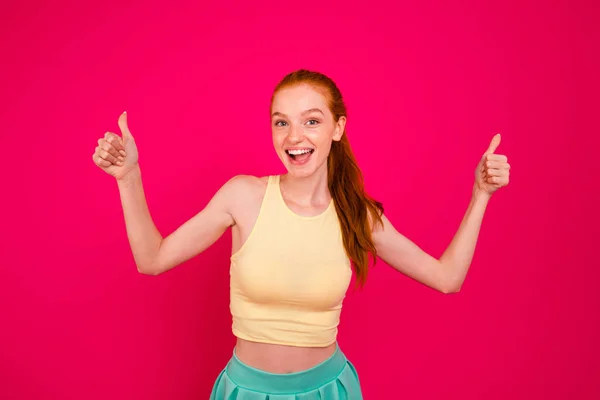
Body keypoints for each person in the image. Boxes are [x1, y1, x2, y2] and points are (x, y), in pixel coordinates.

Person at [92, 69, 511, 399]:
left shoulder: (355, 214)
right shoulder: (243, 196)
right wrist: (129, 177)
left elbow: (446, 278)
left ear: (338, 128)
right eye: (281, 123)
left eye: (312, 121)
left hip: (329, 391)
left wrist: (480, 195)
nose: (295, 137)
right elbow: (152, 259)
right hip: (246, 392)